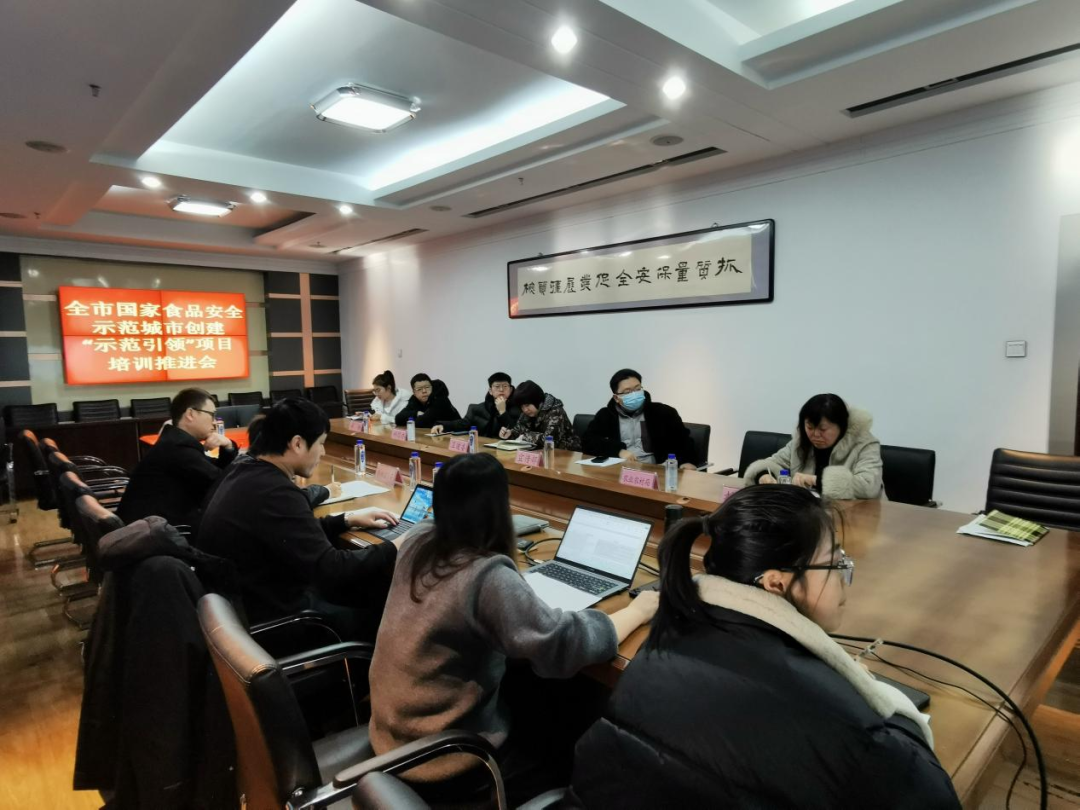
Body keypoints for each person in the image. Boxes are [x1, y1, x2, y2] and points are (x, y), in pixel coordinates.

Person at [571, 486, 959, 809]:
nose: (844, 575)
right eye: (835, 563)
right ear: (775, 583)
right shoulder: (840, 716)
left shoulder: (675, 627)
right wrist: (870, 695)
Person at [369, 453, 657, 803]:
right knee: (576, 725)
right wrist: (638, 610)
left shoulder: (417, 539)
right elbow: (565, 644)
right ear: (498, 508)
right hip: (443, 754)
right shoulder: (486, 575)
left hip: (393, 732)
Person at [199, 398, 400, 638]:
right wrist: (397, 545)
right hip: (280, 621)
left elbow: (292, 533)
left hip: (247, 607)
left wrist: (346, 519)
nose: (323, 452)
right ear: (297, 443)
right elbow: (332, 568)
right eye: (321, 444)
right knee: (385, 614)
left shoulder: (245, 469)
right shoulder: (275, 491)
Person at [117, 387, 238, 531]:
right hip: (154, 536)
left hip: (154, 530)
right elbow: (222, 483)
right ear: (190, 414)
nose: (214, 422)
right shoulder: (178, 449)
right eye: (212, 415)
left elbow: (213, 473)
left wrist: (228, 446)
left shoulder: (175, 442)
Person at [743, 394, 884, 499]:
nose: (815, 435)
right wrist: (764, 475)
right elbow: (773, 463)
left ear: (842, 426)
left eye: (823, 429)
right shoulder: (800, 442)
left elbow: (868, 486)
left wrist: (815, 480)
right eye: (810, 427)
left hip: (860, 515)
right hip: (811, 513)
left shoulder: (864, 444)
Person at [582, 368, 697, 470]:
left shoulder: (664, 413)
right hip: (618, 471)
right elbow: (588, 440)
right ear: (616, 398)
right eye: (627, 392)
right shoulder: (606, 415)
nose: (634, 395)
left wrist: (686, 461)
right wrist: (618, 450)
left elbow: (684, 441)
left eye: (637, 389)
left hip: (656, 470)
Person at [431, 371, 520, 438]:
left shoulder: (518, 409)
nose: (501, 390)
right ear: (490, 391)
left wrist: (503, 412)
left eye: (505, 386)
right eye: (497, 386)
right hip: (480, 448)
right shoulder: (477, 408)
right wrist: (443, 425)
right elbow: (462, 424)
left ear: (510, 390)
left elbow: (517, 432)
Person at [498, 380, 580, 451]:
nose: (525, 410)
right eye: (522, 407)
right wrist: (510, 433)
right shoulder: (527, 412)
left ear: (537, 400)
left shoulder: (555, 411)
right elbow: (519, 429)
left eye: (527, 405)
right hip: (540, 452)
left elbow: (550, 440)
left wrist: (525, 436)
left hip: (567, 453)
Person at [394, 373, 461, 428]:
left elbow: (422, 422)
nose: (424, 391)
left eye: (427, 387)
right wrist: (416, 413)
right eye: (419, 389)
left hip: (457, 433)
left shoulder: (440, 398)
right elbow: (398, 419)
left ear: (432, 387)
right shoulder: (414, 399)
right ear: (414, 392)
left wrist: (411, 419)